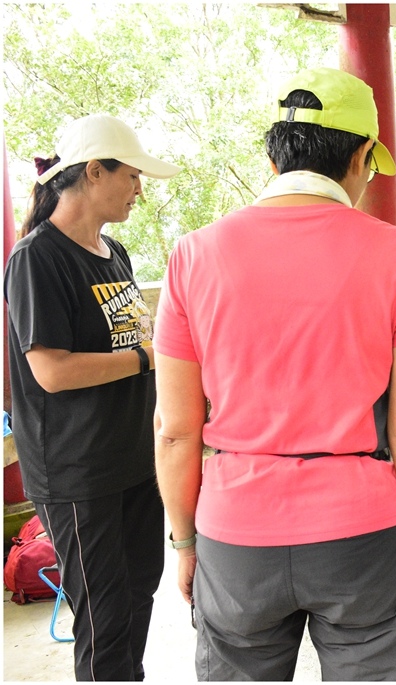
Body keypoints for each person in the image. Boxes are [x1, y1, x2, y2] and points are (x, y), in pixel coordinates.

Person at [153, 67, 396, 680]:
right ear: (363, 155)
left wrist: (185, 544)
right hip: (362, 537)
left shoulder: (192, 255)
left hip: (235, 536)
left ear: (273, 156)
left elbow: (176, 431)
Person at [4, 113, 180, 681]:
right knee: (103, 618)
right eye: (130, 176)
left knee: (139, 597)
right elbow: (51, 371)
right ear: (93, 172)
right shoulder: (38, 258)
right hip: (79, 472)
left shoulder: (116, 253)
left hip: (135, 461)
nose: (138, 190)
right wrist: (146, 358)